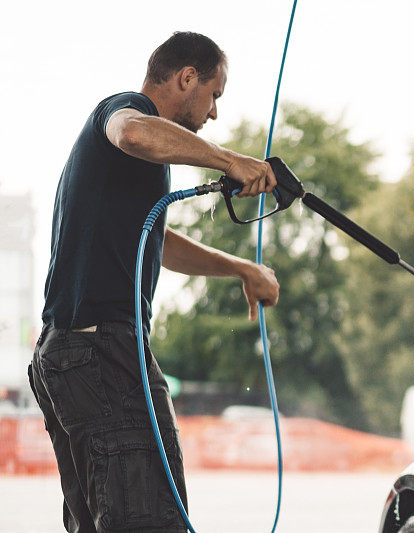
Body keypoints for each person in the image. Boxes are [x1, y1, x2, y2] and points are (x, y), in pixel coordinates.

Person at [27, 31, 279, 532]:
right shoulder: (124, 111)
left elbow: (158, 242)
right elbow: (134, 132)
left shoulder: (132, 169)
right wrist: (230, 160)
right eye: (214, 96)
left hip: (64, 355)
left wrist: (241, 269)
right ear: (187, 77)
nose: (213, 114)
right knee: (149, 522)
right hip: (102, 350)